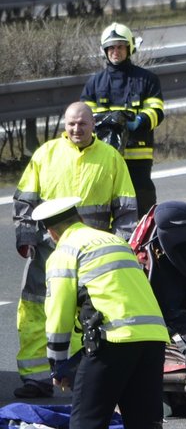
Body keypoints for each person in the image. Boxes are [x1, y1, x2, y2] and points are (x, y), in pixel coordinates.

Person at [36, 196, 170, 429]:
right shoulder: (113, 240)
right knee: (146, 427)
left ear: (52, 232)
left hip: (112, 342)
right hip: (151, 336)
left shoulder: (64, 253)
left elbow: (58, 312)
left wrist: (58, 364)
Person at [12, 102, 137, 399]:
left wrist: (122, 246)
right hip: (48, 249)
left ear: (93, 124)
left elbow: (126, 210)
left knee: (90, 312)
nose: (76, 129)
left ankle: (84, 374)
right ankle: (37, 377)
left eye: (82, 123)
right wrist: (27, 238)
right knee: (35, 308)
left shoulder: (111, 159)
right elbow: (24, 201)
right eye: (70, 124)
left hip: (93, 253)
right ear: (64, 125)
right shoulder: (46, 155)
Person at [81, 22, 166, 217]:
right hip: (104, 155)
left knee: (142, 203)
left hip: (138, 154)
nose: (115, 51)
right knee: (106, 203)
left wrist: (139, 122)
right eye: (111, 47)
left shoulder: (147, 79)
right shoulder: (95, 82)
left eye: (120, 46)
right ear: (105, 50)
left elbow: (157, 111)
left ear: (129, 48)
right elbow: (86, 114)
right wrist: (105, 123)